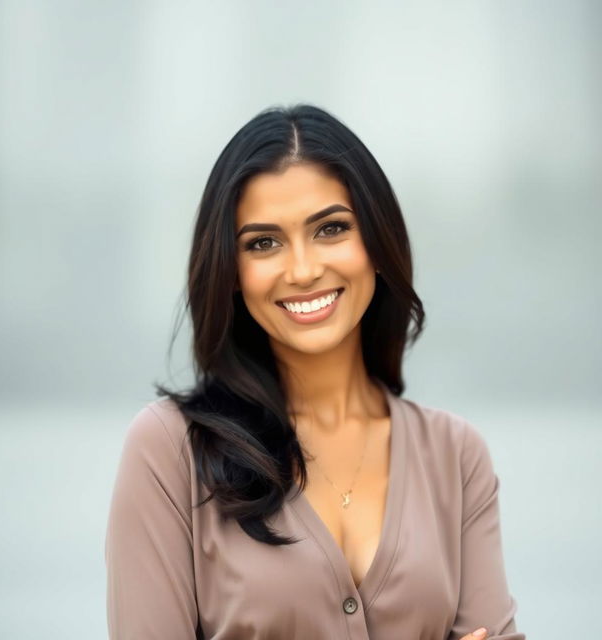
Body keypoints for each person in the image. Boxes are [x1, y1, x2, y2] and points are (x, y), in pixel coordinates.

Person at [105, 104, 525, 639]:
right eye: (263, 243)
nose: (303, 270)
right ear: (232, 273)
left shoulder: (456, 457)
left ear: (376, 243)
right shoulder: (169, 453)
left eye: (330, 229)